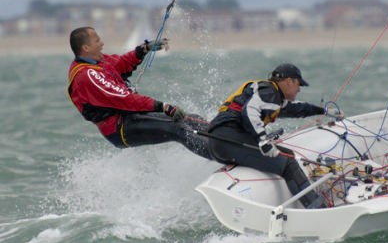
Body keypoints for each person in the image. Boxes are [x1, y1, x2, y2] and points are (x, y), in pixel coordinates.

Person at [67, 26, 210, 158]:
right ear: (86, 47)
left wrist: (144, 49)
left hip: (130, 117)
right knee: (178, 128)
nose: (102, 43)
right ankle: (220, 153)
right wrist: (163, 106)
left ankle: (225, 138)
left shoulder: (97, 62)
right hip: (120, 128)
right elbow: (125, 99)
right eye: (97, 40)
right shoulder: (87, 75)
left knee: (191, 119)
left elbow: (121, 64)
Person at [206, 63, 331, 209]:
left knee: (286, 153)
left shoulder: (272, 97)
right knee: (287, 162)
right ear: (289, 81)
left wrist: (324, 111)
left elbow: (298, 109)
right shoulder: (269, 92)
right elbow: (250, 110)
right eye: (298, 84)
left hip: (221, 140)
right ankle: (316, 208)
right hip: (229, 138)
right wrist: (263, 140)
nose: (299, 89)